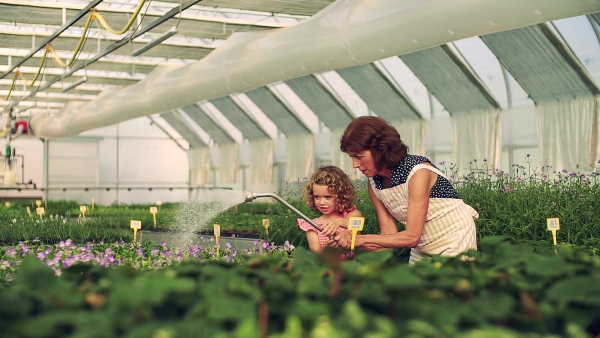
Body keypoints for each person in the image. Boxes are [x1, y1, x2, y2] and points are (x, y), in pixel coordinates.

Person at [332, 116, 478, 264]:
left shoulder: (418, 172)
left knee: (446, 286)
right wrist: (350, 245)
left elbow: (412, 237)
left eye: (359, 156)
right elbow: (388, 236)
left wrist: (361, 240)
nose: (355, 165)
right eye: (352, 157)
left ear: (380, 149)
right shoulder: (374, 183)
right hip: (422, 245)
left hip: (454, 237)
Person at [297, 165, 362, 252]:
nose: (321, 202)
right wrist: (329, 251)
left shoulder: (352, 215)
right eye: (317, 197)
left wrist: (338, 222)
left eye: (327, 197)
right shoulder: (313, 226)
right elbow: (316, 257)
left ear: (341, 196)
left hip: (354, 265)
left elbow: (357, 228)